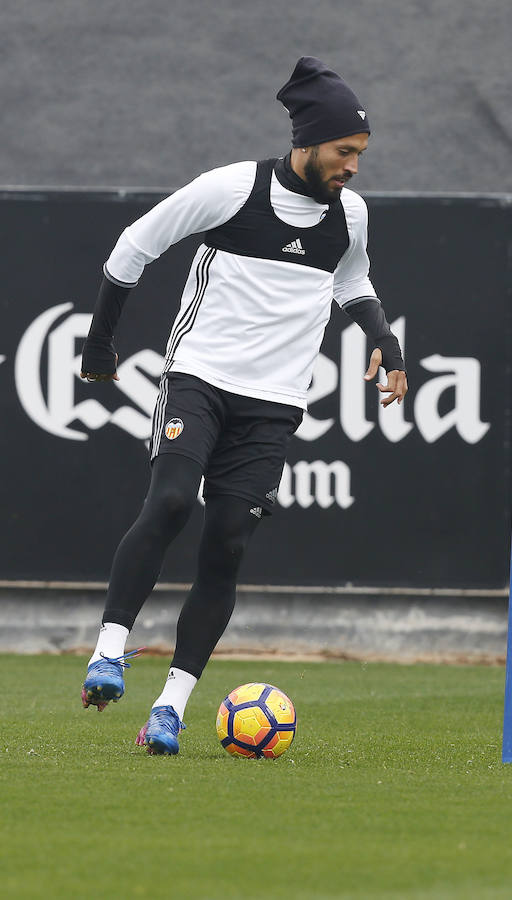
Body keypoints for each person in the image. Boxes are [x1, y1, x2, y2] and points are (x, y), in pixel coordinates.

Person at [79, 57, 408, 754]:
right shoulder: (232, 189)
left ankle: (169, 708)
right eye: (345, 151)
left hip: (274, 402)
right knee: (169, 503)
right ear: (309, 142)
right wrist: (99, 343)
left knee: (226, 543)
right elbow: (132, 248)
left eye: (361, 154)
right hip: (198, 376)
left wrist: (384, 337)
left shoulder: (350, 214)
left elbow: (353, 281)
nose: (354, 165)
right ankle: (109, 649)